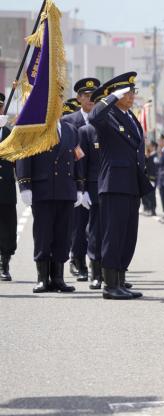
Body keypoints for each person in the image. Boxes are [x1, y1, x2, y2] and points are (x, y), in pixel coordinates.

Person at [88, 72, 153, 300]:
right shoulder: (108, 116)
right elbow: (94, 117)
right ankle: (109, 285)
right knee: (113, 235)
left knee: (127, 236)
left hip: (131, 184)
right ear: (118, 94)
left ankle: (120, 279)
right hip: (114, 184)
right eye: (129, 92)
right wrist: (110, 98)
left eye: (133, 92)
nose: (133, 96)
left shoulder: (129, 117)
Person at [16, 116, 84, 293]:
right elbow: (24, 155)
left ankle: (58, 278)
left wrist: (79, 186)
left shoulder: (70, 129)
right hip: (43, 189)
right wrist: (25, 184)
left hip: (66, 189)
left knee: (64, 234)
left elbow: (78, 158)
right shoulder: (34, 128)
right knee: (43, 234)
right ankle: (42, 279)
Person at [64, 77, 101, 282]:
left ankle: (98, 264)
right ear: (78, 98)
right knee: (78, 226)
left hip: (96, 181)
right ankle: (77, 261)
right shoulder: (69, 121)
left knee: (97, 227)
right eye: (86, 96)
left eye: (93, 96)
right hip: (75, 181)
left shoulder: (102, 120)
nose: (90, 99)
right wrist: (78, 186)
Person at [0, 92, 17, 281]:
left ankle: (4, 264)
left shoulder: (9, 133)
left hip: (5, 189)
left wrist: (11, 132)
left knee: (7, 229)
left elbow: (17, 158)